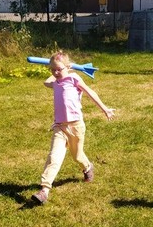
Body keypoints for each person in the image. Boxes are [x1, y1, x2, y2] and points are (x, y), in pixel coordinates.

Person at [32, 51, 115, 205]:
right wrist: (56, 69)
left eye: (59, 69)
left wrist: (105, 109)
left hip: (76, 126)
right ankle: (44, 190)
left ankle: (88, 167)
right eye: (52, 70)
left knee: (77, 156)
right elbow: (46, 82)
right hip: (60, 127)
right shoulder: (55, 83)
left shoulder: (73, 78)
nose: (55, 73)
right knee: (54, 157)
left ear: (68, 67)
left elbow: (90, 92)